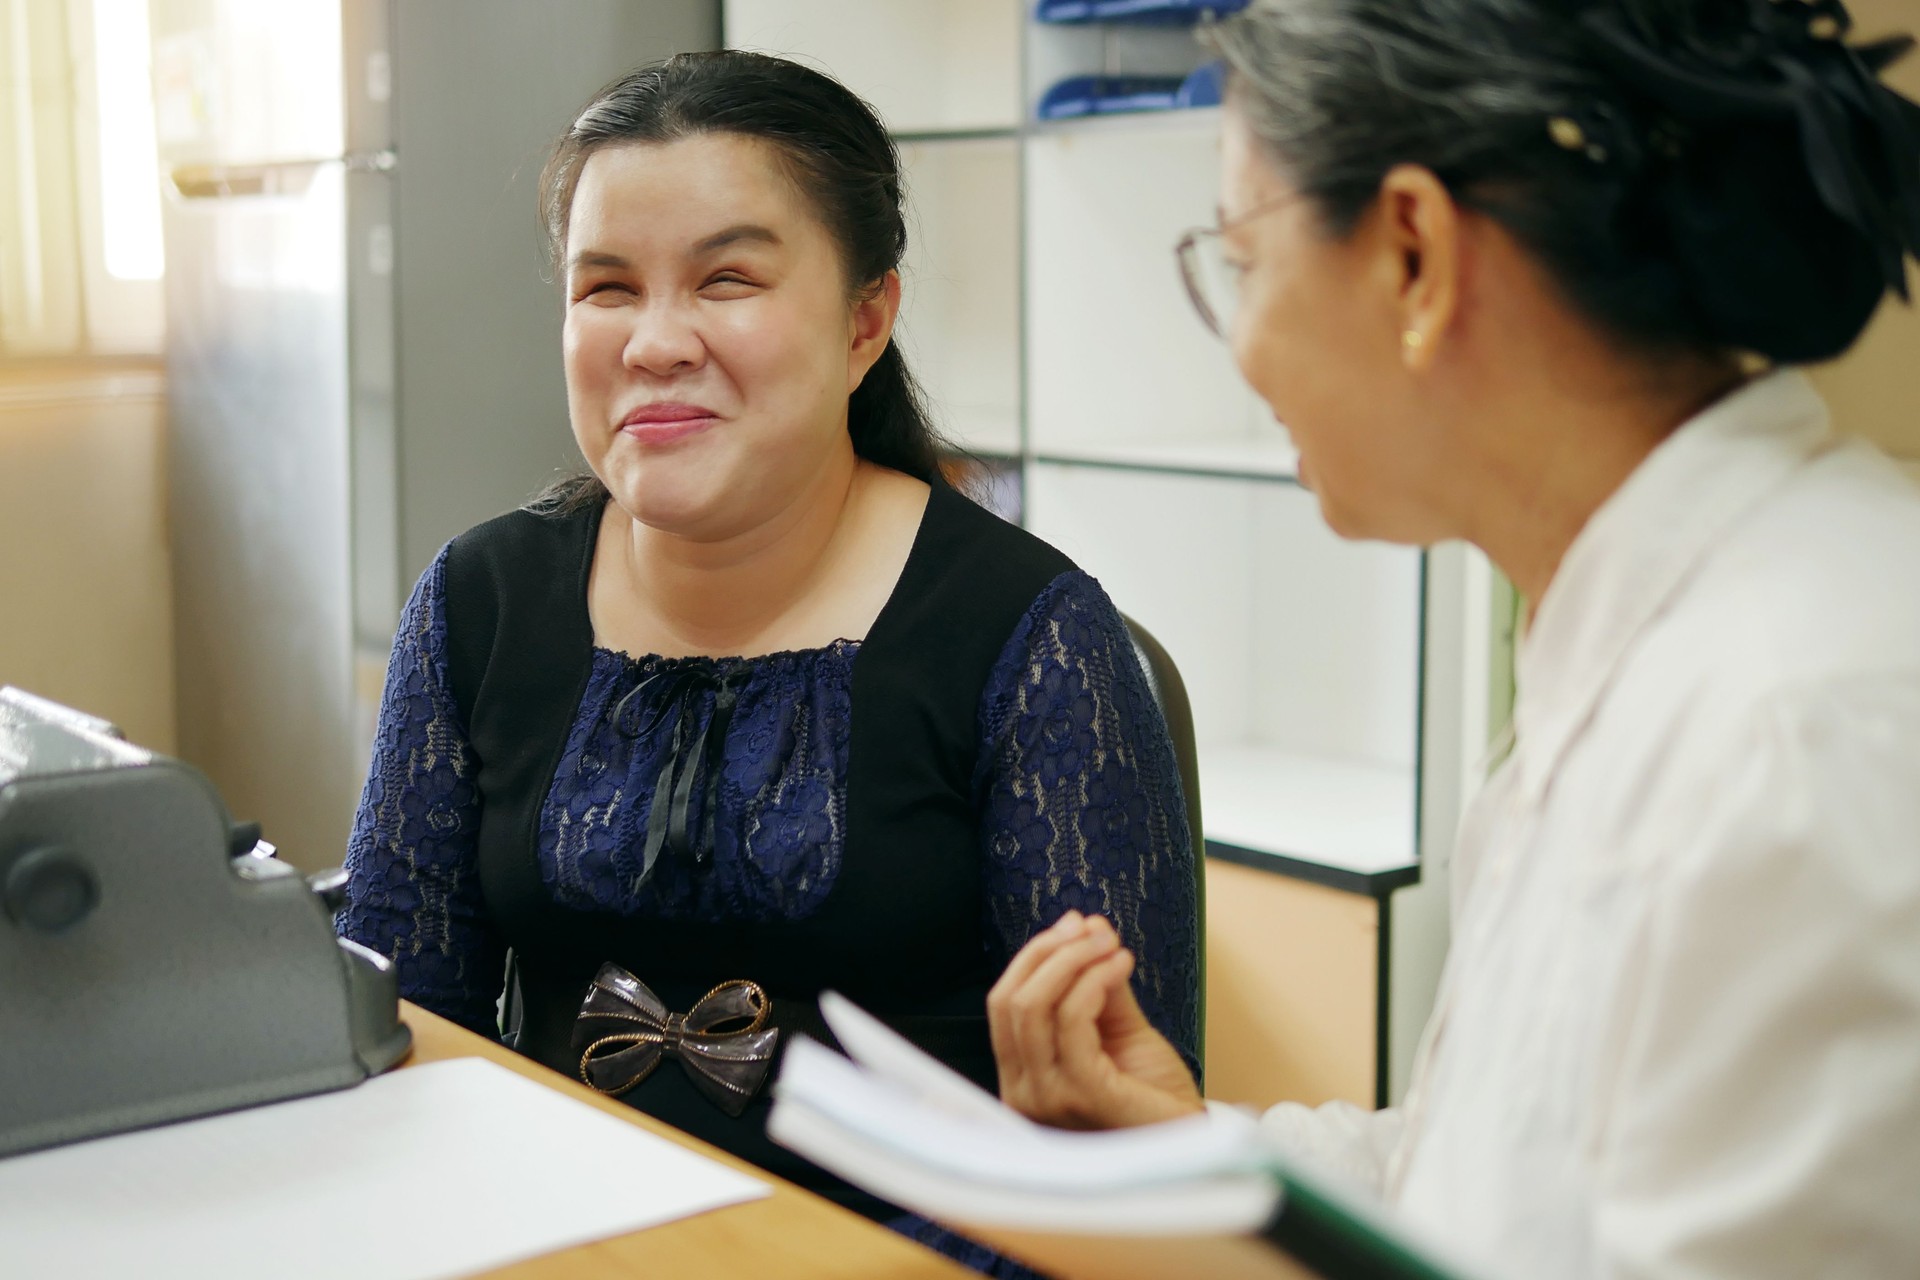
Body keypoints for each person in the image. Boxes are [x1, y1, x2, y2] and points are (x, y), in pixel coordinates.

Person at [984, 0, 1920, 1275]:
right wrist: (1189, 1142)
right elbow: (1488, 1171)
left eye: (1243, 260)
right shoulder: (1637, 647)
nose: (1239, 350)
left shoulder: (1794, 728)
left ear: (1414, 253)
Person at [335, 50, 1198, 1271]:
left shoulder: (1035, 638)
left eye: (727, 279)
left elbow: (1111, 1138)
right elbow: (406, 1027)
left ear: (866, 318)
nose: (654, 341)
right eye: (607, 287)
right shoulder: (476, 600)